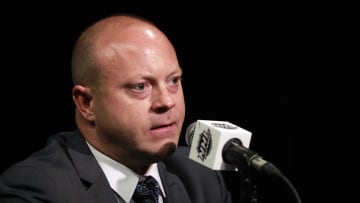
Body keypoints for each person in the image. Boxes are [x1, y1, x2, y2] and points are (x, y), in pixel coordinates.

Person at [0, 13, 234, 203]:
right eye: (140, 86)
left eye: (173, 81)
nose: (167, 101)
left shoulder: (201, 177)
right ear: (86, 103)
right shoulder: (36, 188)